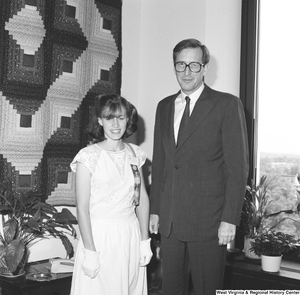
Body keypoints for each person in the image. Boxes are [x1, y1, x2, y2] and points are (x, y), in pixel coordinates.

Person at [149, 38, 249, 295]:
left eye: (194, 65)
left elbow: (237, 170)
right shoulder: (164, 106)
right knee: (171, 290)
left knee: (207, 290)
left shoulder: (227, 104)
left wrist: (229, 220)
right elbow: (160, 165)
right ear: (174, 67)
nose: (187, 72)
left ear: (205, 68)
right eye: (180, 65)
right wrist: (156, 211)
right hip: (170, 223)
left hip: (209, 222)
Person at [70, 94, 152, 295]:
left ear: (128, 120)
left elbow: (142, 199)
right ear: (100, 120)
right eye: (109, 118)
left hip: (130, 235)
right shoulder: (87, 157)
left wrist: (144, 241)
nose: (116, 124)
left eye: (121, 118)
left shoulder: (134, 154)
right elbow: (82, 208)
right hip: (100, 237)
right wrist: (89, 251)